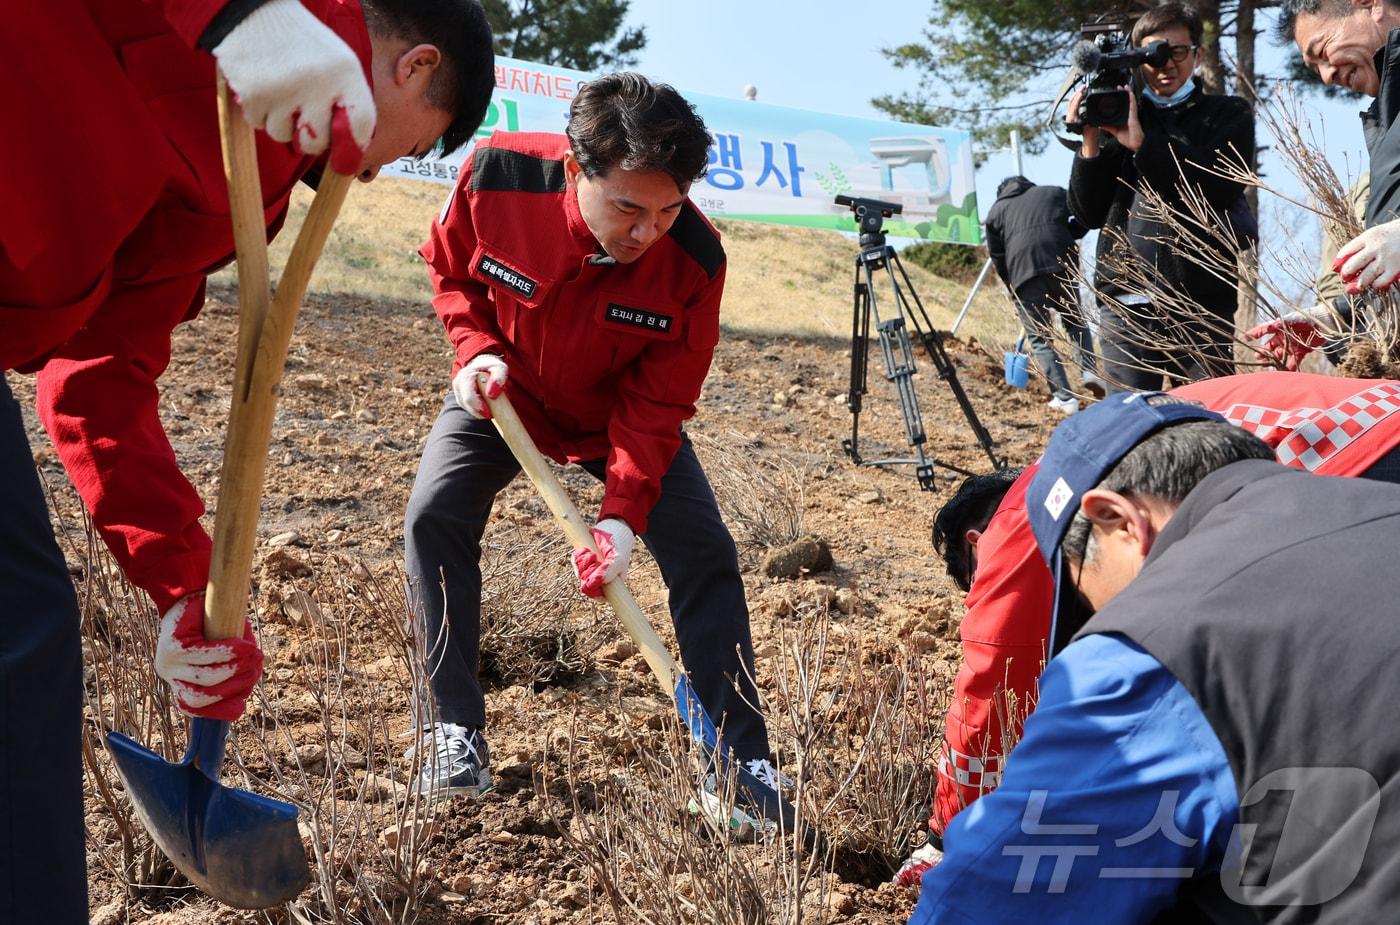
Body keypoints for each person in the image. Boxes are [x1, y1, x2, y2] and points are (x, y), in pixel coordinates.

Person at [0, 2, 494, 920]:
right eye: (397, 149)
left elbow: (96, 373)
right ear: (415, 67)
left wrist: (185, 583)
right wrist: (244, 13)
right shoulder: (278, 28)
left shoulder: (263, 181)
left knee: (23, 631)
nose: (373, 173)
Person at [402, 72, 786, 824]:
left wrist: (620, 515)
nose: (650, 232)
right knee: (433, 516)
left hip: (618, 417)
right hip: (504, 394)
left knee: (705, 553)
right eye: (629, 209)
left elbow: (661, 401)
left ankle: (741, 762)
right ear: (577, 170)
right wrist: (473, 349)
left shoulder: (697, 261)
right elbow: (451, 269)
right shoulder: (497, 176)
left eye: (670, 210)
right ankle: (452, 730)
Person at [894, 370, 1400, 888]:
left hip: (1366, 455)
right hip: (1361, 433)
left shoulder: (1028, 510)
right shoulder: (1113, 449)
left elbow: (995, 670)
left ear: (976, 543)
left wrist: (946, 834)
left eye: (972, 585)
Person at [1068, 3, 1255, 392]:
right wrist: (1090, 138)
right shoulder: (1117, 112)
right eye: (1153, 56)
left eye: (1178, 52)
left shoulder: (1227, 114)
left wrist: (1143, 144)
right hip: (1126, 305)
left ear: (1198, 55)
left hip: (1202, 304)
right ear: (1136, 61)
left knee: (1211, 422)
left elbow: (1220, 186)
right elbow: (1088, 213)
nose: (1165, 65)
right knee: (1131, 430)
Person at [984, 176, 1103, 415]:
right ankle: (1089, 372)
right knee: (1075, 322)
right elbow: (1084, 213)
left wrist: (1012, 287)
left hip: (1024, 275)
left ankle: (1065, 397)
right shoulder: (1052, 192)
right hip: (1061, 263)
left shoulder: (995, 212)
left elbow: (997, 255)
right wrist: (1070, 233)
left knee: (1040, 339)